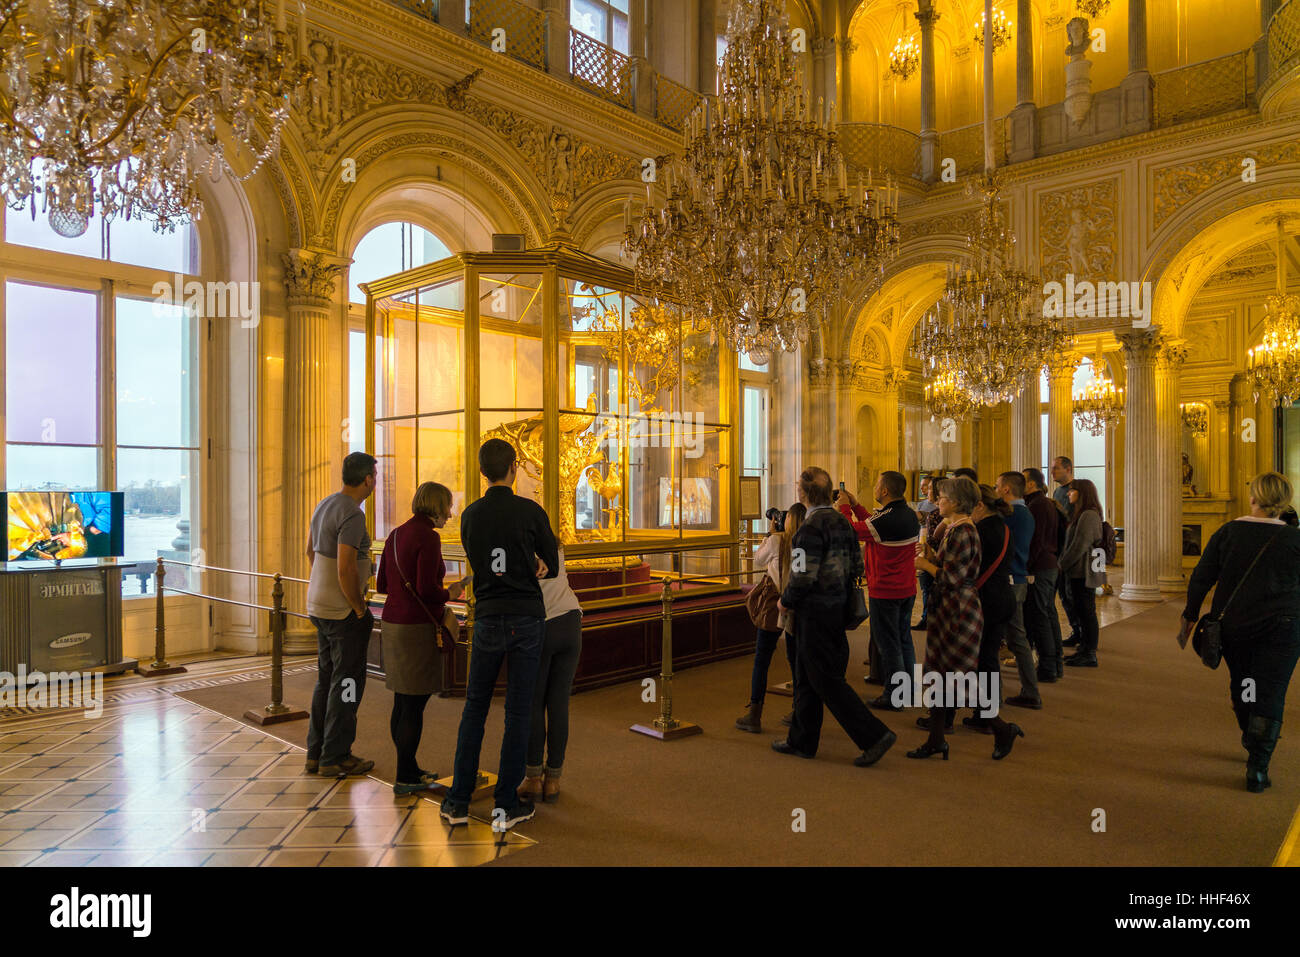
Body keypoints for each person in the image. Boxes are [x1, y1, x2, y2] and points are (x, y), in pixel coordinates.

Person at [441, 439, 560, 831]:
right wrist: (534, 562)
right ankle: (506, 805)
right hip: (525, 616)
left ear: (482, 471)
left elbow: (481, 561)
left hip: (488, 615)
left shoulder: (471, 515)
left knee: (475, 707)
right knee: (517, 711)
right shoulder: (529, 510)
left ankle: (457, 800)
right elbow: (553, 563)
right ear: (513, 468)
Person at [1181, 472, 1300, 793]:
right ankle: (1258, 767)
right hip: (1284, 629)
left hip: (1236, 625)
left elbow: (1201, 577)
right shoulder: (1295, 539)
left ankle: (1251, 735)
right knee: (1272, 692)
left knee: (1244, 684)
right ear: (1284, 501)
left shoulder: (1229, 532)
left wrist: (1190, 616)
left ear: (1253, 497)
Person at [772, 467, 897, 767]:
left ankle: (874, 735)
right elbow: (856, 565)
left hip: (814, 612)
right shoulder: (842, 522)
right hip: (837, 606)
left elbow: (802, 574)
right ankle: (801, 740)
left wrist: (785, 602)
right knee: (805, 675)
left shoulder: (808, 529)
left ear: (802, 494)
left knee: (825, 679)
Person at [375, 481, 462, 795]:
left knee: (402, 699)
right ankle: (406, 776)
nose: (450, 514)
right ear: (437, 507)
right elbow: (427, 590)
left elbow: (383, 583)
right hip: (416, 628)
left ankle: (408, 768)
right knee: (415, 703)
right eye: (448, 507)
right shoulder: (428, 536)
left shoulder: (396, 534)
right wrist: (451, 591)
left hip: (392, 622)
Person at [305, 451, 378, 779]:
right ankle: (336, 755)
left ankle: (316, 752)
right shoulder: (353, 514)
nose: (374, 482)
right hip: (341, 611)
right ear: (367, 479)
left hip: (318, 604)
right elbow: (346, 566)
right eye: (374, 476)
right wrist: (359, 608)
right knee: (347, 681)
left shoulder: (325, 503)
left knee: (327, 679)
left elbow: (310, 551)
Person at [909, 476, 984, 760]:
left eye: (941, 497)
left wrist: (925, 564)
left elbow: (954, 577)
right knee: (943, 674)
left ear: (954, 502)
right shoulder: (955, 529)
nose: (936, 501)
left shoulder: (963, 531)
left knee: (952, 674)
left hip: (958, 609)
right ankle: (936, 739)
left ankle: (1002, 728)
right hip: (951, 607)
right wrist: (931, 555)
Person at [960, 485, 1027, 758]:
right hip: (1002, 595)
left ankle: (988, 716)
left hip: (988, 598)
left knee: (984, 660)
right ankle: (985, 713)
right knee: (988, 659)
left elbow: (969, 567)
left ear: (979, 506)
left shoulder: (983, 530)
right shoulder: (1003, 526)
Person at [519, 544, 583, 803]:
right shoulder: (555, 546)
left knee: (534, 704)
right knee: (559, 704)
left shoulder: (520, 548)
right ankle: (554, 780)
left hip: (539, 624)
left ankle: (533, 778)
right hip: (570, 621)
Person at [852, 471, 920, 712]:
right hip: (906, 587)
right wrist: (855, 505)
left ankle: (894, 695)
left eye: (877, 483)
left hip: (886, 590)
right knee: (903, 639)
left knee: (888, 643)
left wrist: (841, 509)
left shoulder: (888, 520)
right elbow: (873, 523)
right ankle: (909, 689)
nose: (874, 487)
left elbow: (852, 530)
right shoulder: (907, 514)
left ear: (884, 491)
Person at [737, 503, 806, 733]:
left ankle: (754, 714)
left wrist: (769, 533)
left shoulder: (777, 541)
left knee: (762, 660)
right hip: (796, 605)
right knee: (796, 659)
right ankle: (799, 710)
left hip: (775, 605)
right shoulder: (805, 543)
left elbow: (757, 559)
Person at [996, 471, 1040, 710]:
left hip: (1010, 580)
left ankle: (1003, 694)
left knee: (1004, 638)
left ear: (1005, 489)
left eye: (996, 486)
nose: (995, 490)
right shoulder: (1025, 513)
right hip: (1019, 578)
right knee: (1016, 638)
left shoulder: (1014, 514)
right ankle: (1030, 691)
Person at [1022, 467, 1065, 681]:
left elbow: (1036, 541)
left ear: (1031, 484)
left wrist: (1025, 567)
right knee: (1047, 614)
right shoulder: (1045, 503)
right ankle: (1055, 662)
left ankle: (1048, 666)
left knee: (1039, 616)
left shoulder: (1037, 505)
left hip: (1039, 567)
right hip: (1049, 564)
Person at [1059, 478, 1105, 667]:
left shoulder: (1088, 515)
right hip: (1077, 570)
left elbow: (1079, 545)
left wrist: (1062, 564)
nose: (1068, 493)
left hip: (1082, 571)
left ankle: (1089, 653)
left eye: (1072, 491)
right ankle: (1084, 649)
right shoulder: (1081, 514)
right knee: (1082, 609)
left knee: (1086, 611)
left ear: (1082, 493)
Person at [1050, 455, 1083, 646]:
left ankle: (1081, 632)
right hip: (1059, 547)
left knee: (1072, 594)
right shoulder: (1057, 492)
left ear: (1068, 469)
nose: (1052, 471)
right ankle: (1075, 631)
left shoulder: (1076, 490)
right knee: (1063, 594)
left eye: (1056, 468)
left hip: (1071, 550)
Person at [914, 476, 945, 632]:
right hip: (925, 553)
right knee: (927, 590)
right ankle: (927, 618)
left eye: (930, 487)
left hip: (934, 559)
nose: (926, 490)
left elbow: (934, 540)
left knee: (931, 590)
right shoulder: (926, 508)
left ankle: (929, 619)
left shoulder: (940, 515)